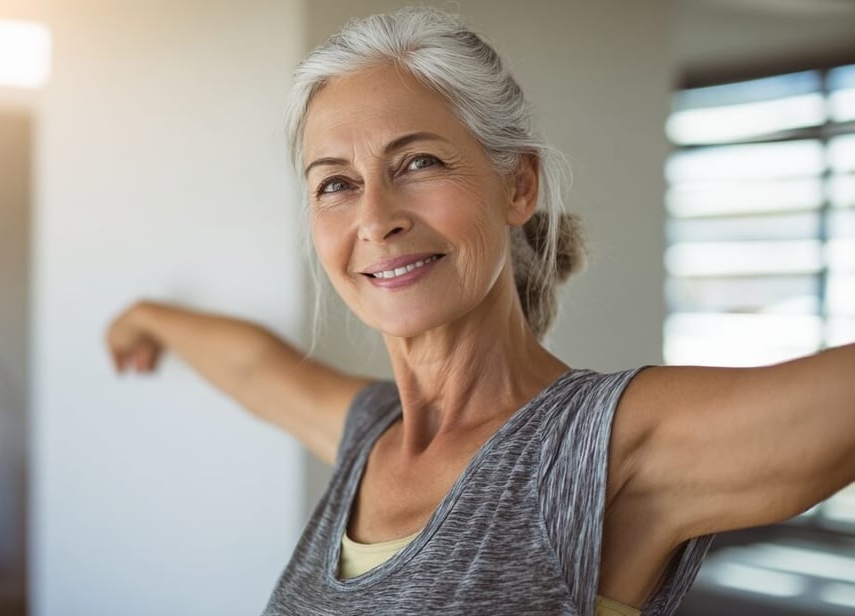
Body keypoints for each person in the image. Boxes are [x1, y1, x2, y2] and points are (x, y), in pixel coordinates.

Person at [104, 8, 855, 616]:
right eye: (335, 183)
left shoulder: (598, 448)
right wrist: (146, 319)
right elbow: (254, 369)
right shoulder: (371, 433)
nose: (375, 218)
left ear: (517, 186)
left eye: (418, 163)